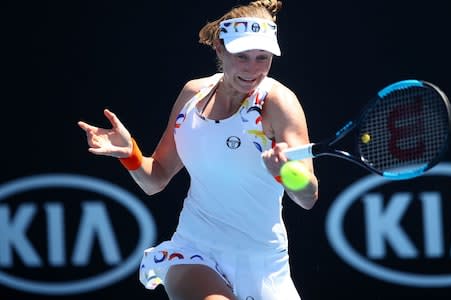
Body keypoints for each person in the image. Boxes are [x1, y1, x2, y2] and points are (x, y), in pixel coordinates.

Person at [78, 0, 318, 299]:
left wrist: (286, 173)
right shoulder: (193, 94)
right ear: (219, 48)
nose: (252, 69)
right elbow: (157, 178)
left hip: (263, 263)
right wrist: (129, 153)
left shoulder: (278, 103)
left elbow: (308, 196)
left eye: (262, 57)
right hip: (195, 250)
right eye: (242, 56)